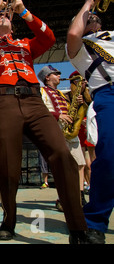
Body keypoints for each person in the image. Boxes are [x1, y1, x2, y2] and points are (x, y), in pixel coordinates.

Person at [0, 0, 88, 243]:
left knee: (63, 155)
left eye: (7, 16)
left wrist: (22, 9)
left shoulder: (25, 45)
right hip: (4, 103)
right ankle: (9, 220)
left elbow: (48, 37)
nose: (3, 16)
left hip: (35, 102)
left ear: (12, 26)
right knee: (9, 168)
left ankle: (78, 228)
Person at [66, 0, 114, 244]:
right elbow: (73, 32)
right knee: (108, 156)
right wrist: (88, 2)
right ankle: (94, 222)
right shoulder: (79, 46)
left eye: (95, 16)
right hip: (108, 94)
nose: (92, 18)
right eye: (87, 18)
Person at [38, 66, 89, 208]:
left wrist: (78, 104)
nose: (60, 76)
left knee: (80, 163)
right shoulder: (41, 92)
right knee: (63, 166)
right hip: (56, 130)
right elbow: (40, 110)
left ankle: (80, 196)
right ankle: (63, 198)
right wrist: (58, 115)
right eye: (56, 74)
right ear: (47, 77)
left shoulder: (61, 93)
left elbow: (69, 107)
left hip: (70, 131)